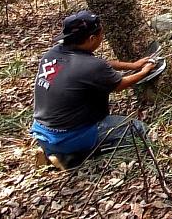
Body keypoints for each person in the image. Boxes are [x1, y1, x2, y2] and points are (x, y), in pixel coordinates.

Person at [31, 10, 155, 170]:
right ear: (91, 39)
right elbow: (120, 84)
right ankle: (69, 159)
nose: (102, 38)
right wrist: (144, 72)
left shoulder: (52, 54)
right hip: (69, 136)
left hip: (42, 132)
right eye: (101, 35)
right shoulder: (90, 66)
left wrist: (133, 65)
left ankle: (50, 150)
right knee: (139, 130)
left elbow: (97, 63)